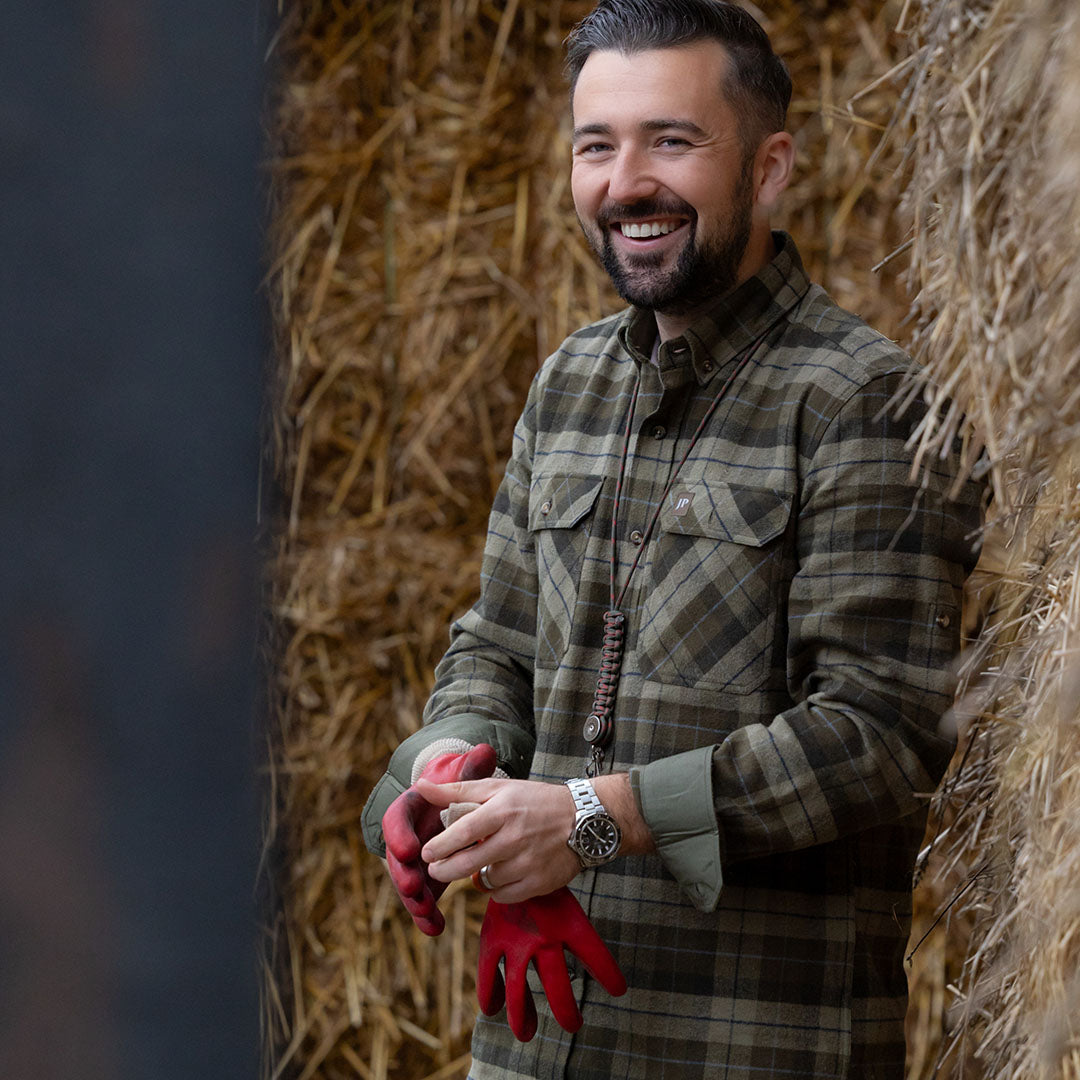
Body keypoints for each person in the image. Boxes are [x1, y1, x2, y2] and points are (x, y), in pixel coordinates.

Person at [362, 1, 983, 1077]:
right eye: (596, 145)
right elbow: (493, 650)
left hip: (745, 1046)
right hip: (534, 1046)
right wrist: (440, 776)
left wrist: (593, 821)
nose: (627, 182)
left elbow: (880, 734)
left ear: (771, 165)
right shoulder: (569, 385)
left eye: (673, 141)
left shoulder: (865, 402)